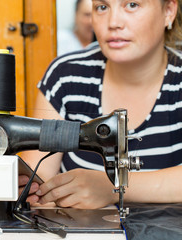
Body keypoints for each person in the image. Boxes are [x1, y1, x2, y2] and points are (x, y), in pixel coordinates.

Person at [21, 0, 182, 209]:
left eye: (132, 5)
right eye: (102, 7)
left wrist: (113, 188)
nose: (113, 22)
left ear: (168, 11)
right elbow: (38, 173)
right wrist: (29, 189)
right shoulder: (66, 77)